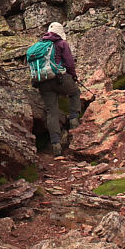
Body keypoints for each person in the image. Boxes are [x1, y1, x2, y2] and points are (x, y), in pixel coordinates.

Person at [36, 22, 81, 155]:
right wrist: (73, 76)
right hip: (59, 78)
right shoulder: (61, 43)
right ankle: (74, 119)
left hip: (43, 82)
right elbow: (69, 63)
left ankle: (56, 144)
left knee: (52, 112)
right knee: (75, 93)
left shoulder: (40, 45)